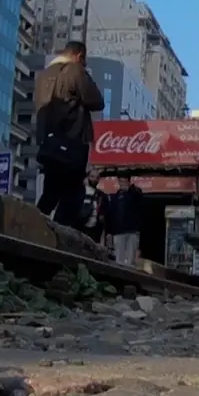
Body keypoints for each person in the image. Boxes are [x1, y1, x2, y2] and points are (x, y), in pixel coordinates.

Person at [34, 41, 104, 227]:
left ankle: (33, 227)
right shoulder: (75, 71)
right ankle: (61, 239)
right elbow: (97, 100)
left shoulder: (43, 75)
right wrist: (86, 74)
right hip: (72, 142)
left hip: (49, 145)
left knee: (50, 192)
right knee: (73, 195)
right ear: (79, 55)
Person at [104, 178, 144, 266]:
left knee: (131, 259)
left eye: (125, 181)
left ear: (129, 182)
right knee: (119, 259)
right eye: (121, 181)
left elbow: (140, 198)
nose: (123, 183)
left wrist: (131, 189)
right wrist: (109, 231)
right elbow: (110, 215)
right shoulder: (114, 197)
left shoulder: (134, 194)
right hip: (118, 231)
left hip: (132, 231)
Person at [78, 169, 107, 243]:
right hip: (80, 228)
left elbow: (103, 211)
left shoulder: (101, 195)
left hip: (94, 230)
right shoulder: (79, 192)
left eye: (97, 177)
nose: (95, 179)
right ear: (87, 177)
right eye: (92, 176)